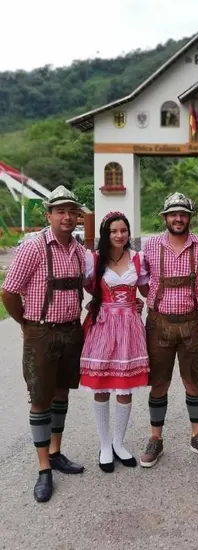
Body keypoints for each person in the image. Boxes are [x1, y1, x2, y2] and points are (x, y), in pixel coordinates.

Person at [0, 186, 87, 502]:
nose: (67, 217)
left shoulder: (78, 250)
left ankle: (55, 451)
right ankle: (43, 469)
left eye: (72, 211)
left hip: (71, 331)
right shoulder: (33, 247)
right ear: (49, 215)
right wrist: (25, 323)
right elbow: (9, 291)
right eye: (60, 211)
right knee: (40, 399)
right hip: (41, 331)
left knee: (62, 393)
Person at [139, 192, 198, 467]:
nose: (178, 218)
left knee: (192, 381)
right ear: (165, 218)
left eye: (183, 214)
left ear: (190, 217)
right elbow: (143, 282)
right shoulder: (150, 246)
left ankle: (197, 436)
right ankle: (155, 439)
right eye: (173, 214)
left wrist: (197, 303)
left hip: (192, 323)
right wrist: (156, 302)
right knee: (159, 383)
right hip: (158, 323)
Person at [80, 212, 149, 473]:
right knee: (101, 385)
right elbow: (84, 286)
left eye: (123, 230)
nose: (119, 235)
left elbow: (148, 289)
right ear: (105, 234)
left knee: (124, 387)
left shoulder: (138, 258)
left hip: (130, 326)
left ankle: (119, 443)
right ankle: (105, 445)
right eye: (113, 231)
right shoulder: (94, 259)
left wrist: (140, 302)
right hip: (103, 325)